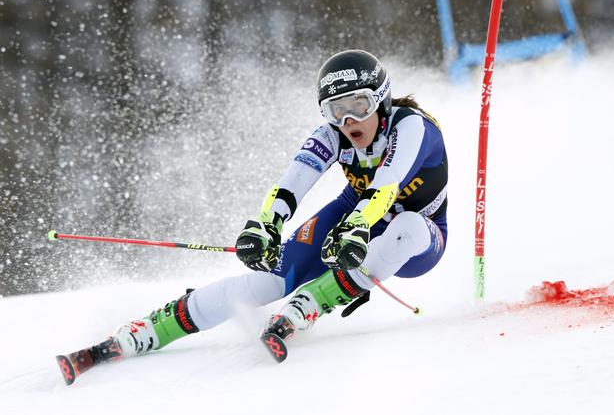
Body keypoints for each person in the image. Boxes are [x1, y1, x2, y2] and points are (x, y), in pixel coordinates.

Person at [86, 49, 448, 365]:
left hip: (419, 238)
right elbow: (292, 183)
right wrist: (266, 225)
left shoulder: (411, 126)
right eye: (335, 110)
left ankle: (310, 302)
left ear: (381, 100)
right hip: (352, 217)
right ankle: (151, 328)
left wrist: (356, 226)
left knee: (408, 228)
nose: (348, 120)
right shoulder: (332, 134)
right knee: (270, 278)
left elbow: (387, 184)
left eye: (358, 105)